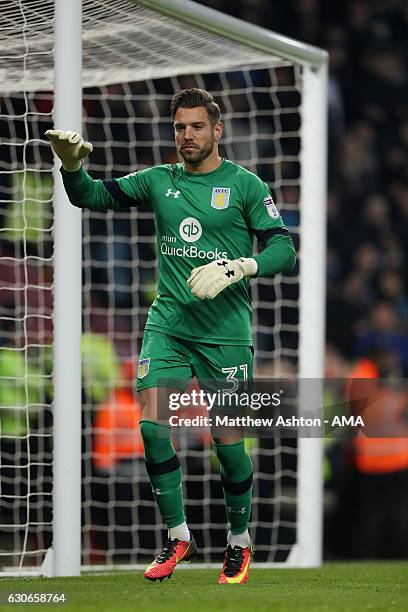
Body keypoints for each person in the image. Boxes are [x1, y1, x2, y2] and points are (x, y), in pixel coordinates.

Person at [45, 88, 296, 584]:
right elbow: (90, 196)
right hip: (169, 326)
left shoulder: (245, 185)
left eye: (197, 127)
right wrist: (72, 167)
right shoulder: (159, 180)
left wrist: (241, 266)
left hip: (225, 334)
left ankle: (239, 541)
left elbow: (283, 248)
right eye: (180, 127)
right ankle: (178, 534)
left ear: (217, 130)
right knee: (153, 428)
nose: (186, 136)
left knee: (226, 444)